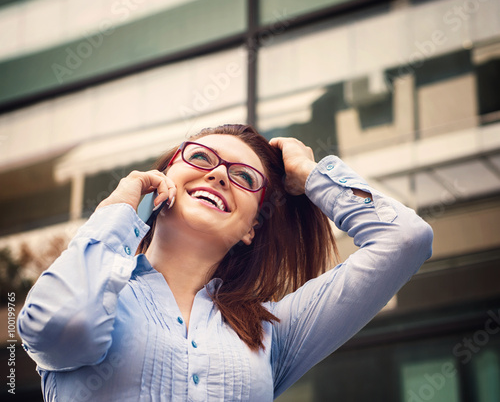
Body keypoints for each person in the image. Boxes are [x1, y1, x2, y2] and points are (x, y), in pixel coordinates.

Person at [18, 123, 433, 401]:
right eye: (200, 159)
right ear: (163, 178)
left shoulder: (271, 335)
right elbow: (60, 328)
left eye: (245, 178)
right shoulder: (98, 293)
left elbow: (405, 239)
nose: (218, 175)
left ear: (252, 226)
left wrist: (309, 174)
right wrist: (121, 207)